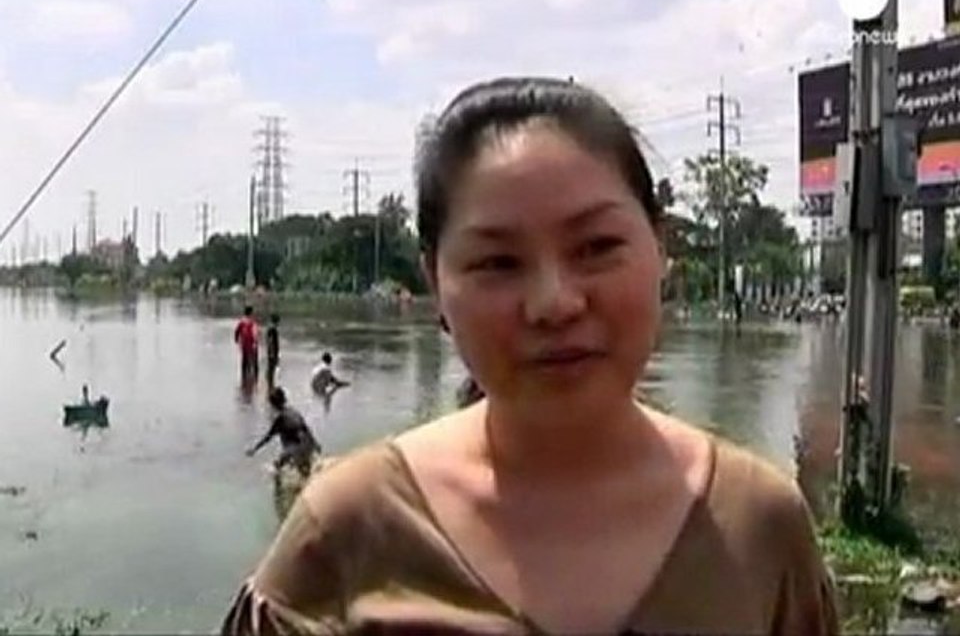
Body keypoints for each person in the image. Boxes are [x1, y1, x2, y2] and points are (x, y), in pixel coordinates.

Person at [222, 77, 838, 635]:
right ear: (435, 284)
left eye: (597, 247)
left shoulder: (761, 525)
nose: (555, 304)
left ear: (660, 251)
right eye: (498, 262)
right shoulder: (347, 531)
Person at [246, 387, 321, 479]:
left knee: (277, 468)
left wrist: (254, 449)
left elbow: (268, 437)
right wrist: (316, 444)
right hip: (308, 444)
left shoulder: (280, 419)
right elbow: (305, 428)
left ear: (272, 405)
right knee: (303, 472)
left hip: (295, 448)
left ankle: (279, 487)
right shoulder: (294, 411)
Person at [233, 306, 259, 383]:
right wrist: (255, 342)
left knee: (245, 361)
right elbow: (255, 334)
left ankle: (244, 378)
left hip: (244, 344)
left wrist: (237, 340)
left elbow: (237, 332)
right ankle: (253, 379)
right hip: (251, 345)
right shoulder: (252, 323)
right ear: (251, 313)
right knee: (253, 362)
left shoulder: (242, 322)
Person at [265, 313, 281, 391]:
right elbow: (271, 341)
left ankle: (270, 385)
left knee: (271, 368)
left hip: (272, 352)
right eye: (278, 322)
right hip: (272, 352)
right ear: (276, 321)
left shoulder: (271, 329)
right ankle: (270, 386)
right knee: (271, 369)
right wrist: (272, 353)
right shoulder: (273, 330)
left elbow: (269, 341)